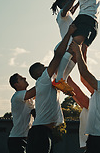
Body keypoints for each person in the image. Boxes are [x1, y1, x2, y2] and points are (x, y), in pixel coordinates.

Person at [26, 24, 76, 153]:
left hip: (45, 131)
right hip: (40, 132)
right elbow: (58, 56)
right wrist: (69, 33)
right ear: (39, 73)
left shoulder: (51, 82)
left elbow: (67, 63)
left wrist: (75, 51)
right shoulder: (43, 80)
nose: (47, 66)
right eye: (44, 66)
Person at [8, 74, 36, 153]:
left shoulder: (27, 96)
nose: (25, 78)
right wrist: (44, 80)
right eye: (21, 78)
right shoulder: (18, 95)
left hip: (26, 138)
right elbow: (38, 89)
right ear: (16, 84)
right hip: (17, 139)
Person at [66, 76, 94, 150]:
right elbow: (80, 101)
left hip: (97, 143)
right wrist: (70, 91)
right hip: (91, 144)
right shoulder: (89, 106)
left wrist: (65, 76)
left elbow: (81, 96)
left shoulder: (96, 104)